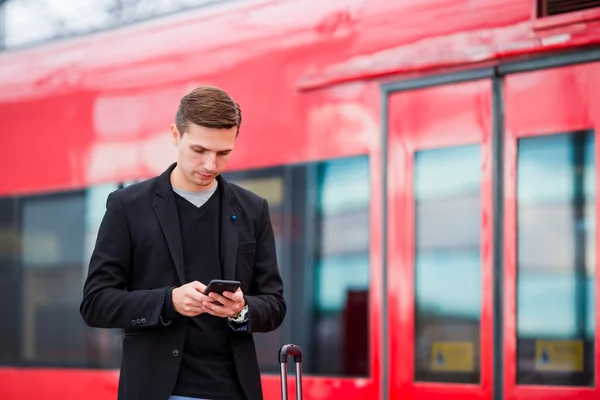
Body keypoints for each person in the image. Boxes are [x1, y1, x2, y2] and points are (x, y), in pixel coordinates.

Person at [80, 86, 286, 400]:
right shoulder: (128, 206)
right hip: (157, 390)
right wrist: (169, 302)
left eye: (223, 153)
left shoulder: (253, 209)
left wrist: (242, 309)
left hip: (234, 391)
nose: (211, 164)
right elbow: (95, 304)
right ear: (176, 135)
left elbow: (274, 304)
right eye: (199, 150)